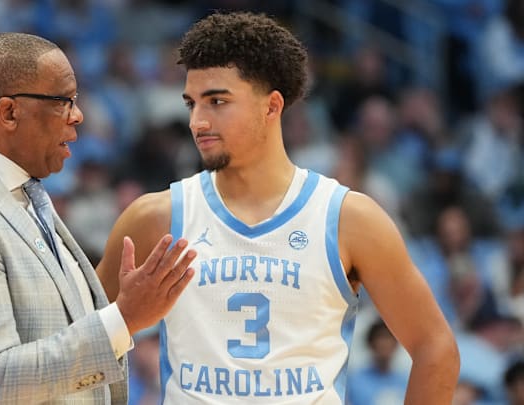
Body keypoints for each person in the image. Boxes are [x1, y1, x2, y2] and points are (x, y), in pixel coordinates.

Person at [96, 11, 459, 404]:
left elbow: (435, 348)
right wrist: (119, 321)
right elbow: (76, 346)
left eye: (217, 101)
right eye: (192, 104)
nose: (197, 122)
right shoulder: (155, 217)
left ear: (271, 107)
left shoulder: (349, 219)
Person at [0, 32, 196, 404]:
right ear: (9, 112)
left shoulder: (23, 193)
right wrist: (123, 320)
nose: (78, 115)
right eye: (64, 101)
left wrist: (120, 314)